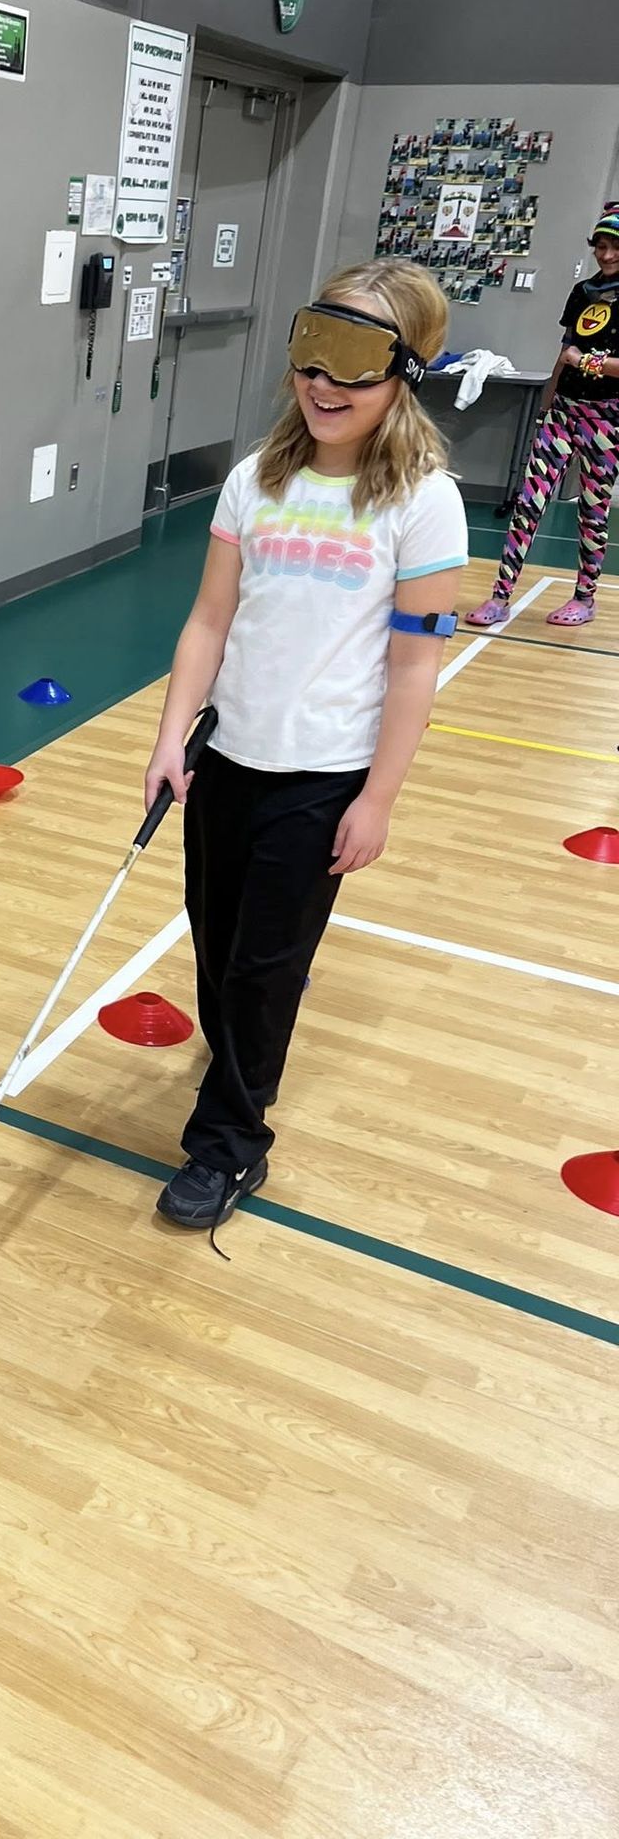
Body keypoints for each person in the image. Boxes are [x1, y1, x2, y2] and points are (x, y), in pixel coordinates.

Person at [143, 261, 466, 1237]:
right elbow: (208, 620)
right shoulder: (257, 480)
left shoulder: (421, 502)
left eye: (357, 361)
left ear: (405, 370)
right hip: (230, 759)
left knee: (264, 969)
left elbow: (414, 670)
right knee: (216, 936)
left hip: (323, 780)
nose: (326, 382)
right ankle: (236, 1053)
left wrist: (378, 799)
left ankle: (230, 1147)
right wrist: (172, 738)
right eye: (313, 351)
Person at [467, 206, 619, 628]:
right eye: (601, 247)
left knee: (593, 509)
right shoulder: (583, 291)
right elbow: (564, 350)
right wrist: (547, 402)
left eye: (614, 247)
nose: (606, 256)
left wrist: (586, 362)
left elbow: (580, 356)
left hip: (608, 421)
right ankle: (500, 596)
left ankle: (585, 598)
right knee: (527, 504)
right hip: (563, 414)